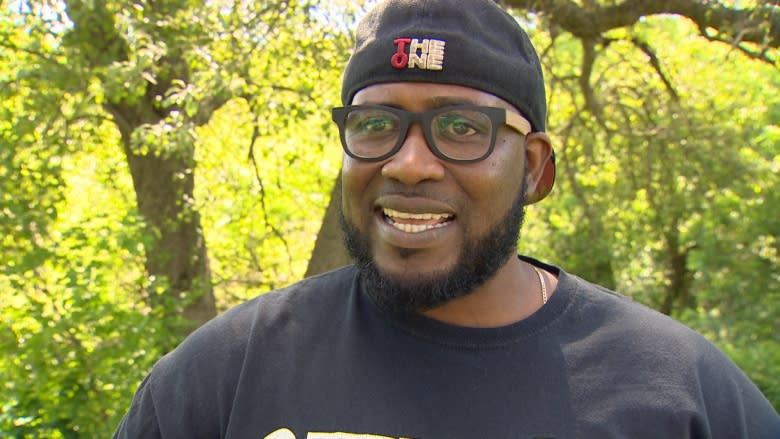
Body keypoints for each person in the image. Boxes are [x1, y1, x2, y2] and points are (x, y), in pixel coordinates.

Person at [113, 0, 780, 438]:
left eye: (461, 127)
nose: (409, 163)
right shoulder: (227, 377)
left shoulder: (681, 394)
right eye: (375, 123)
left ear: (535, 168)